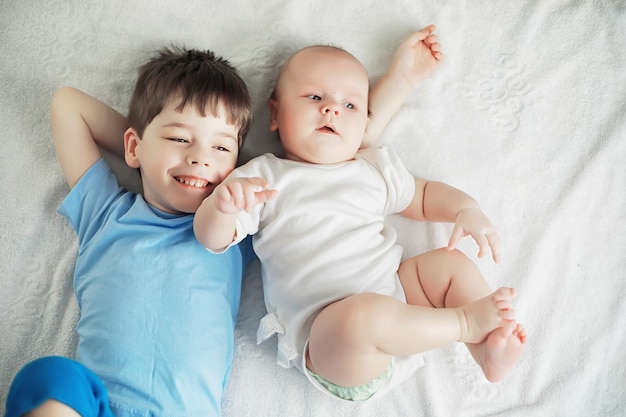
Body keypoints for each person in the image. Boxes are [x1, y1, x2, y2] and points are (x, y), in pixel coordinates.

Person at [5, 26, 446, 416]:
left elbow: (335, 155)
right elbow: (67, 105)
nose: (199, 157)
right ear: (134, 145)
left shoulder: (248, 210)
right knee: (50, 377)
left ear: (237, 161)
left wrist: (399, 80)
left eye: (221, 148)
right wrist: (146, 156)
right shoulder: (105, 212)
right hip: (95, 404)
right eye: (180, 138)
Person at [193, 35, 527, 402]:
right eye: (315, 97)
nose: (332, 110)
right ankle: (465, 323)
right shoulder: (264, 178)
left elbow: (425, 195)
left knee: (449, 266)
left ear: (362, 122)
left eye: (349, 104)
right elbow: (211, 238)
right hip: (332, 343)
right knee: (363, 317)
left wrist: (466, 209)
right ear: (275, 113)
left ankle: (488, 351)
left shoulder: (371, 168)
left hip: (399, 300)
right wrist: (220, 208)